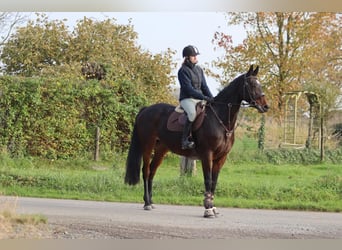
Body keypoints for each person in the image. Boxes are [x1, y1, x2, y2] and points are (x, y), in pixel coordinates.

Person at [178, 45, 214, 150]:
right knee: (192, 113)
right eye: (193, 56)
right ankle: (184, 140)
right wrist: (203, 97)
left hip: (199, 98)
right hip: (187, 98)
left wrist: (212, 98)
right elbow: (188, 89)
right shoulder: (183, 71)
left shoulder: (199, 70)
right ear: (187, 57)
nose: (195, 58)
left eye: (195, 56)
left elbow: (204, 87)